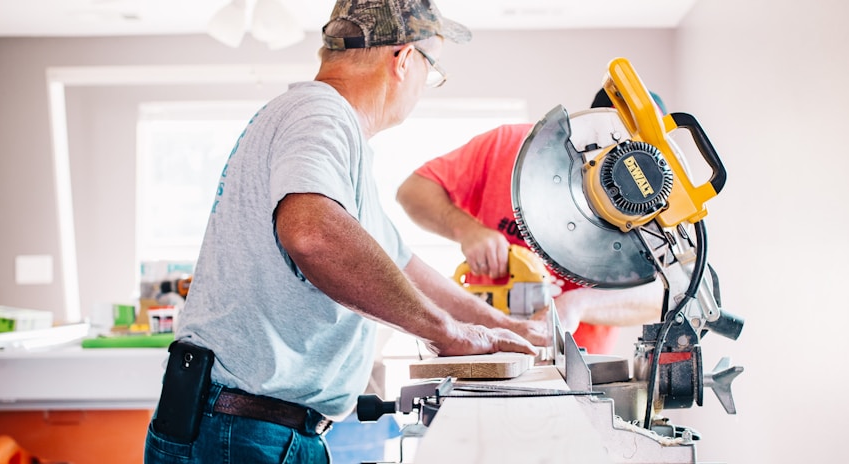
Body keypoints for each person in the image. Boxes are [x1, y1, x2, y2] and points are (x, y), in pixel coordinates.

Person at [144, 1, 548, 462]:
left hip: (251, 425)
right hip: (242, 430)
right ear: (405, 60)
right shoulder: (320, 113)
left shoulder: (325, 129)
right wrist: (446, 332)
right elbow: (312, 235)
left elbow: (403, 267)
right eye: (432, 69)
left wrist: (502, 328)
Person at [396, 89, 670, 355]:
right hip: (482, 346)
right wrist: (467, 229)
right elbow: (413, 191)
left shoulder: (650, 206)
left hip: (576, 364)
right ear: (587, 122)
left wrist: (578, 304)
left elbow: (665, 295)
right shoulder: (508, 146)